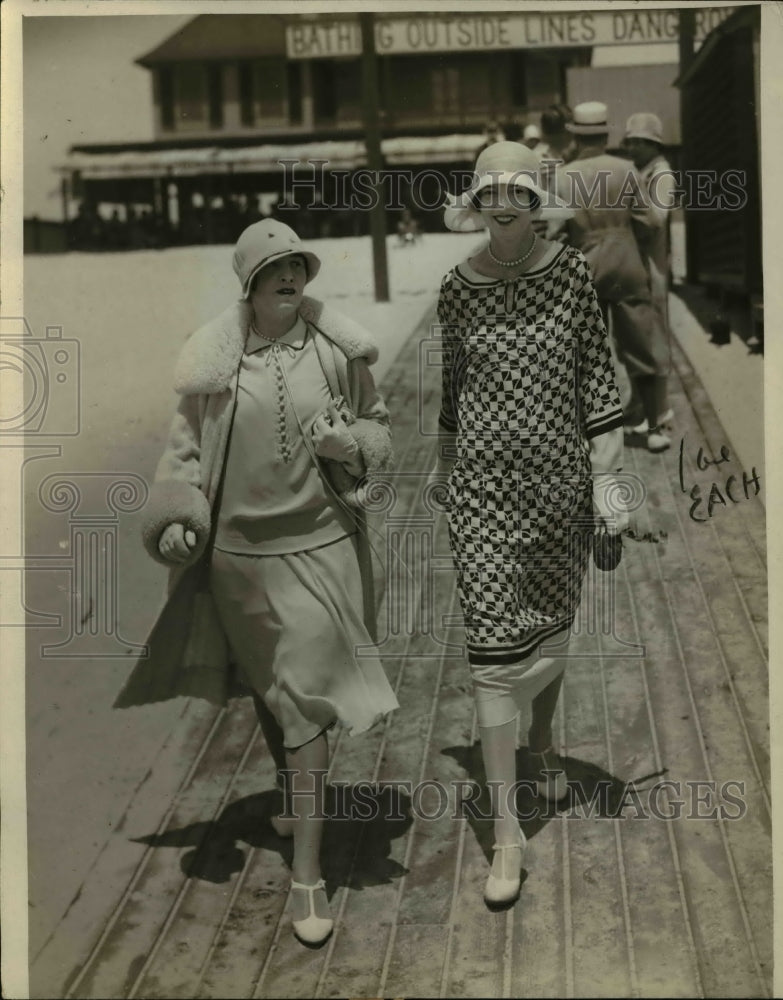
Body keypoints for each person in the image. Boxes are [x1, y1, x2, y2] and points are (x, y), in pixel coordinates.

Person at [114, 219, 399, 946]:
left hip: (324, 547)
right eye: (273, 266)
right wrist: (175, 522)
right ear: (249, 281)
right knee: (275, 690)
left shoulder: (338, 351)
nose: (289, 275)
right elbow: (180, 463)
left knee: (305, 703)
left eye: (297, 263)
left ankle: (306, 877)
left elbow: (378, 431)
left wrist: (350, 446)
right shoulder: (213, 368)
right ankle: (287, 797)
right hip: (239, 561)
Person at [436, 142, 629, 908]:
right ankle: (507, 836)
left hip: (558, 487)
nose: (504, 206)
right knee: (490, 656)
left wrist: (611, 490)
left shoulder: (572, 274)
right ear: (476, 206)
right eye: (490, 196)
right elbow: (453, 389)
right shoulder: (455, 289)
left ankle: (541, 745)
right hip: (482, 491)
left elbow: (596, 376)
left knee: (547, 630)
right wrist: (444, 471)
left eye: (517, 193)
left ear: (533, 201)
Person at [551, 101, 670, 453]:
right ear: (605, 135)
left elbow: (556, 232)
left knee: (587, 352)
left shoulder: (561, 175)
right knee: (640, 343)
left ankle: (589, 435)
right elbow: (649, 221)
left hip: (584, 265)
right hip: (626, 260)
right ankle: (653, 429)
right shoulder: (628, 169)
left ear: (575, 134)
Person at [622, 112, 676, 434]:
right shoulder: (640, 171)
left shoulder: (661, 174)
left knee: (653, 337)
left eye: (639, 142)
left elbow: (656, 219)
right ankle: (641, 406)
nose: (633, 147)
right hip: (636, 264)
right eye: (631, 141)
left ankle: (660, 410)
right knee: (635, 336)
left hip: (651, 265)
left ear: (653, 143)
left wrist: (627, 207)